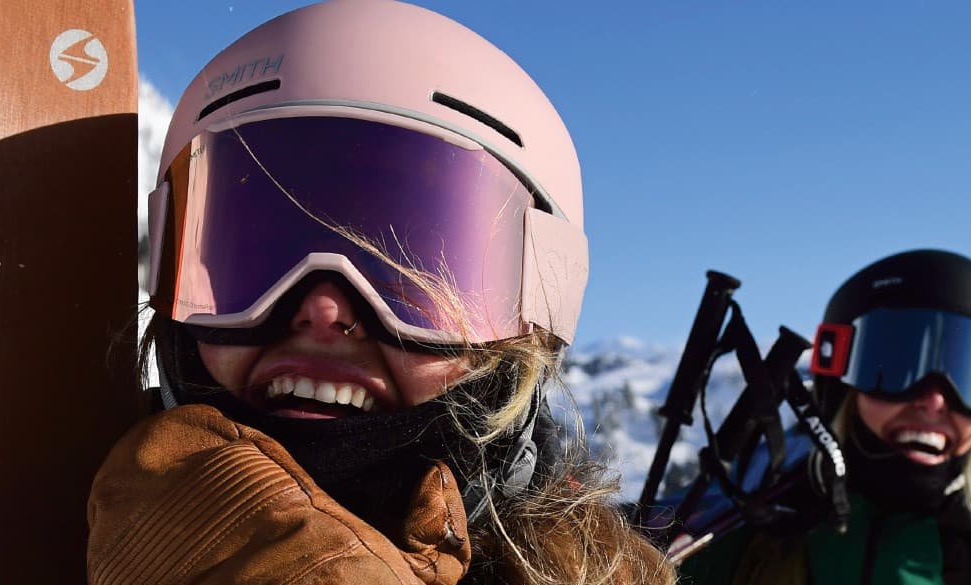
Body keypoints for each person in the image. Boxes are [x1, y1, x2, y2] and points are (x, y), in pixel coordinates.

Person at [84, 1, 673, 584]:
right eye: (254, 256)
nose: (324, 309)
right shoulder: (30, 516)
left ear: (527, 330)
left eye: (413, 275)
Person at [679, 249, 971, 584]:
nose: (933, 400)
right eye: (896, 367)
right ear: (841, 379)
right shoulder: (751, 533)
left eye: (970, 379)